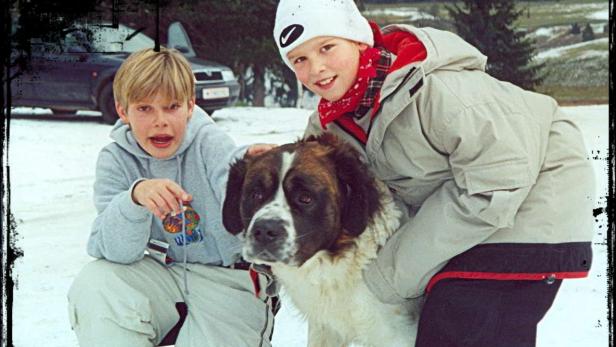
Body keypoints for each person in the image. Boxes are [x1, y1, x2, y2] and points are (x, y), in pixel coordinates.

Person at [272, 0, 595, 346]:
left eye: (326, 47)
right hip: (473, 214)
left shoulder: (437, 89)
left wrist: (392, 273)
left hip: (534, 202)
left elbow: (499, 180)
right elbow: (306, 182)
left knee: (456, 321)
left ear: (359, 39)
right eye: (299, 60)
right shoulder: (330, 124)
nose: (316, 68)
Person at [67, 47, 276, 347]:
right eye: (145, 108)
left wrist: (251, 165)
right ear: (122, 110)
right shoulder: (115, 160)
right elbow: (114, 252)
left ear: (190, 107)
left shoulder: (208, 140)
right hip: (165, 276)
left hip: (230, 281)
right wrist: (135, 199)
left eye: (172, 107)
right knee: (97, 283)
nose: (160, 121)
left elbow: (227, 171)